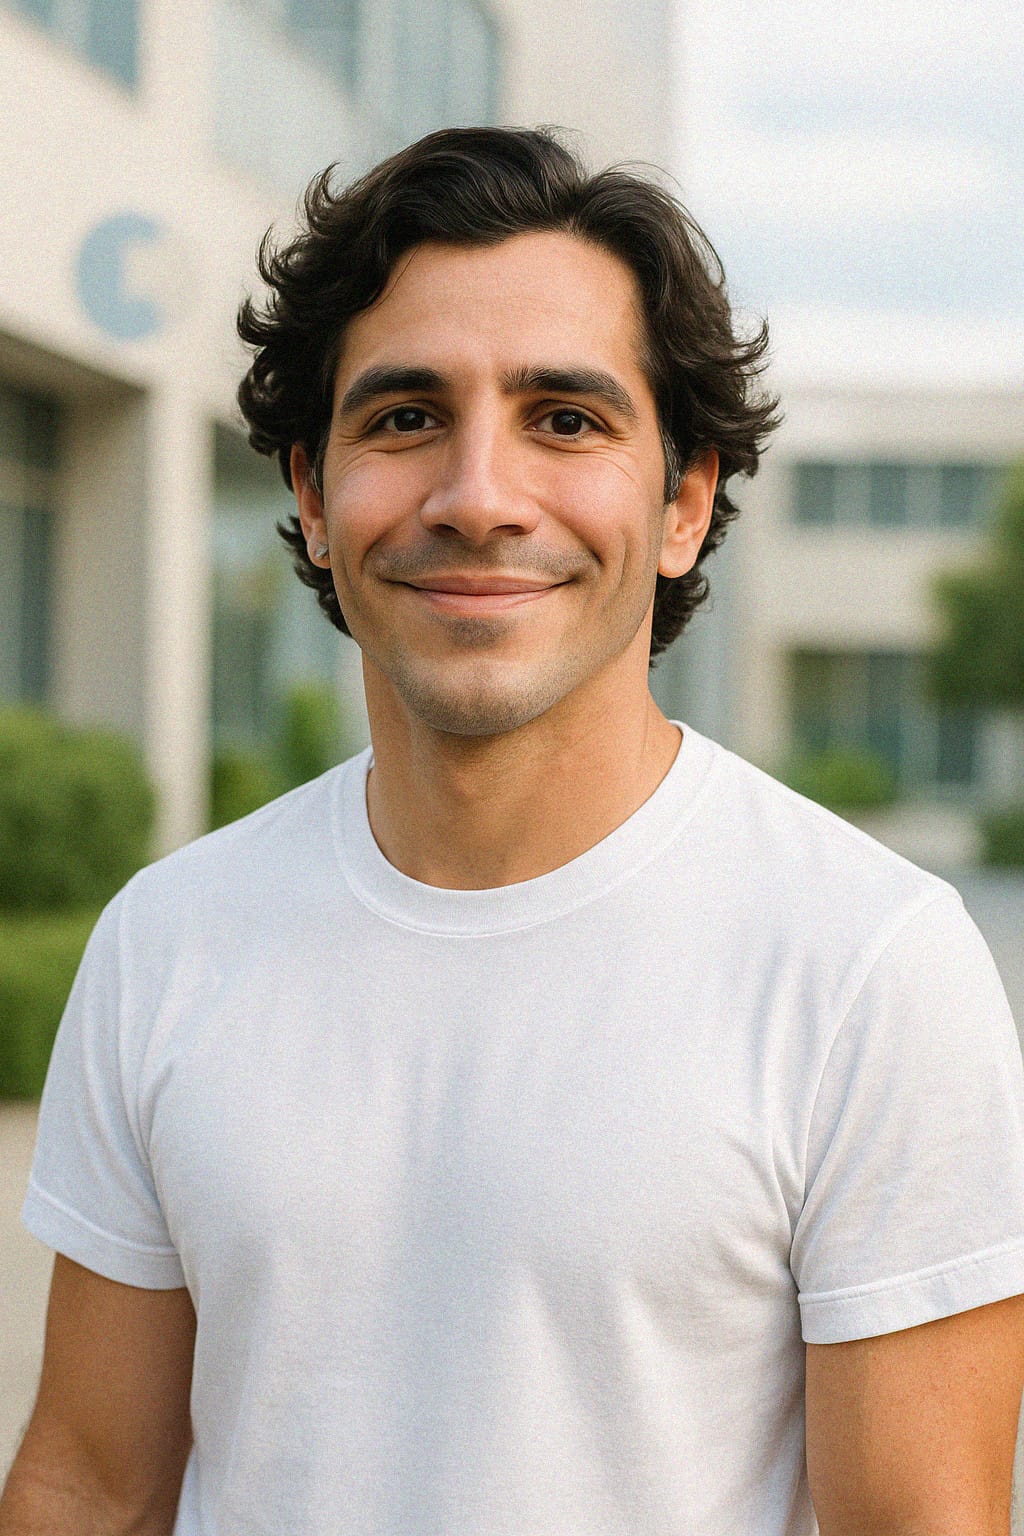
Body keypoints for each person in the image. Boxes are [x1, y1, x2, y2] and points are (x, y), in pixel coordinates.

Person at [3, 125, 1024, 1536]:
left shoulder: (868, 965)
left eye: (566, 420)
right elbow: (88, 1486)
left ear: (684, 502)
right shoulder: (166, 940)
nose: (478, 496)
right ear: (311, 496)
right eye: (404, 418)